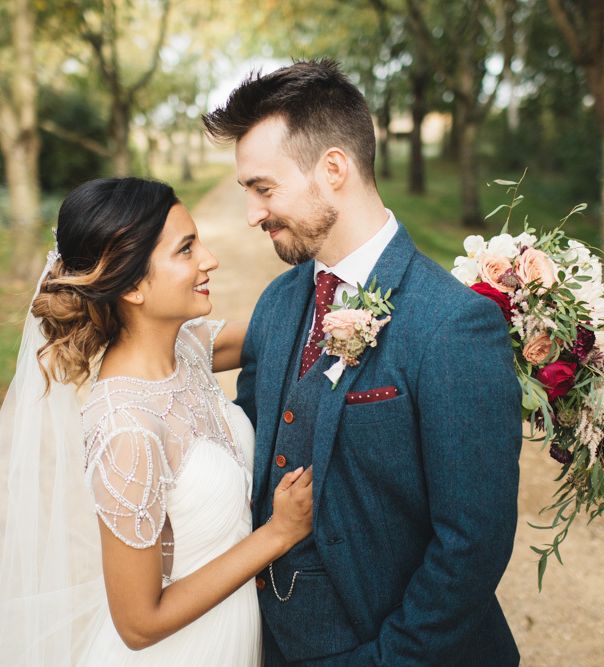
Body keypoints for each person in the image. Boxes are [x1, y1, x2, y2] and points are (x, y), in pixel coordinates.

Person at [203, 59, 523, 666]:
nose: (252, 214)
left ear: (333, 169)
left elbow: (472, 543)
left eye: (263, 188)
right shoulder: (279, 301)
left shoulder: (454, 325)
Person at [0, 177, 313, 665]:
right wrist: (277, 534)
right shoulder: (127, 428)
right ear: (131, 285)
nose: (209, 259)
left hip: (236, 629)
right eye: (186, 250)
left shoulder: (186, 348)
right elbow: (139, 624)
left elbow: (281, 333)